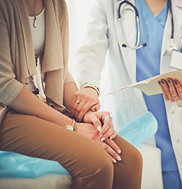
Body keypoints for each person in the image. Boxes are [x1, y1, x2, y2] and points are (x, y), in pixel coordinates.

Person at [0, 0, 143, 189]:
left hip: (36, 102)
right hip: (5, 111)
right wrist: (72, 126)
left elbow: (60, 69)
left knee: (130, 160)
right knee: (96, 162)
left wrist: (83, 111)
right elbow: (4, 86)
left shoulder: (55, 4)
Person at [73, 0, 182, 188]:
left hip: (179, 130)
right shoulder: (110, 3)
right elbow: (90, 50)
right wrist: (89, 86)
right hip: (132, 121)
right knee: (139, 174)